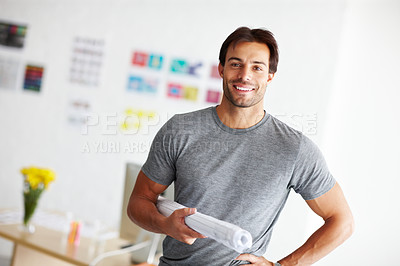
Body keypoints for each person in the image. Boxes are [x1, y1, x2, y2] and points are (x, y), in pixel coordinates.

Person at [127, 26, 354, 266]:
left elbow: (342, 221)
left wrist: (283, 265)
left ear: (270, 76)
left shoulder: (294, 149)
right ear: (221, 69)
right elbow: (139, 201)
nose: (245, 75)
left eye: (257, 67)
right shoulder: (180, 130)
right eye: (236, 64)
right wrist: (165, 225)